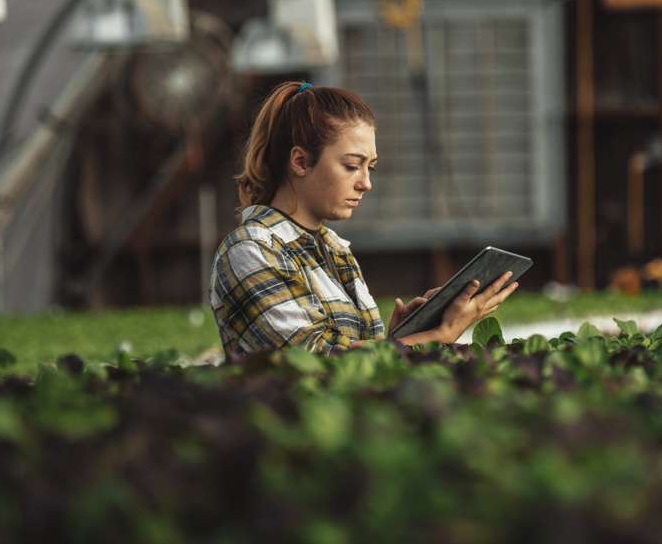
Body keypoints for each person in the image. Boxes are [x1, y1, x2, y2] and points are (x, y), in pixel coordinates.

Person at [209, 81, 518, 361]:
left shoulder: (334, 248)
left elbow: (360, 365)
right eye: (352, 166)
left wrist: (401, 336)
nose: (366, 183)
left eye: (370, 167)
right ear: (301, 162)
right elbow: (317, 364)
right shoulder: (250, 251)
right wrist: (440, 336)